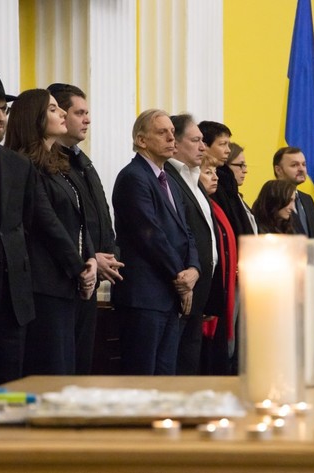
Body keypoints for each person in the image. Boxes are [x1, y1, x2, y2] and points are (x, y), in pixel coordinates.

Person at [0, 69, 91, 388]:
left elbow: (26, 228)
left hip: (15, 303)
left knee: (11, 392)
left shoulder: (18, 165)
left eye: (4, 109)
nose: (0, 117)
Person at [5, 88, 97, 375]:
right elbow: (48, 224)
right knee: (52, 370)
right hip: (44, 284)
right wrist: (80, 268)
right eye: (54, 109)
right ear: (34, 118)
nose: (62, 113)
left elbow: (81, 218)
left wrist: (91, 259)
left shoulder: (58, 163)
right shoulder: (24, 164)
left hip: (67, 282)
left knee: (70, 370)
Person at [112, 109, 200, 375]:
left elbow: (187, 231)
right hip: (144, 297)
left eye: (172, 132)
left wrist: (194, 270)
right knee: (142, 379)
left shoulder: (169, 180)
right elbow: (150, 236)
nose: (171, 138)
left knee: (164, 379)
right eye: (162, 133)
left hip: (168, 296)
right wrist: (181, 278)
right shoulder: (133, 177)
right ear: (141, 140)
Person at [47, 83, 123, 374]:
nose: (87, 120)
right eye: (80, 113)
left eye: (87, 113)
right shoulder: (49, 162)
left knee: (83, 366)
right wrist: (90, 258)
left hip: (90, 277)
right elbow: (58, 224)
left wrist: (109, 254)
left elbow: (101, 214)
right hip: (66, 279)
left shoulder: (82, 161)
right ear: (60, 115)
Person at [165, 114, 217, 375]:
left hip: (200, 289)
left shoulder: (194, 179)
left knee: (189, 367)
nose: (203, 147)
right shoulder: (168, 178)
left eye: (203, 141)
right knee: (174, 367)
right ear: (175, 142)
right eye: (195, 140)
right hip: (181, 286)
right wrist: (187, 274)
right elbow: (175, 234)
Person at [199, 155, 238, 375]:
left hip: (221, 293)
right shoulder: (198, 205)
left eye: (215, 172)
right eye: (208, 172)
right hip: (205, 293)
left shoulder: (215, 206)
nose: (215, 177)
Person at [200, 121, 256, 237]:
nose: (228, 150)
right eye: (222, 144)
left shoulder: (228, 179)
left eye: (228, 144)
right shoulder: (210, 183)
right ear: (204, 146)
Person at [273, 146, 314, 237]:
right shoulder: (271, 199)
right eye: (294, 165)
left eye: (304, 164)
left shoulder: (307, 199)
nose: (301, 169)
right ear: (278, 170)